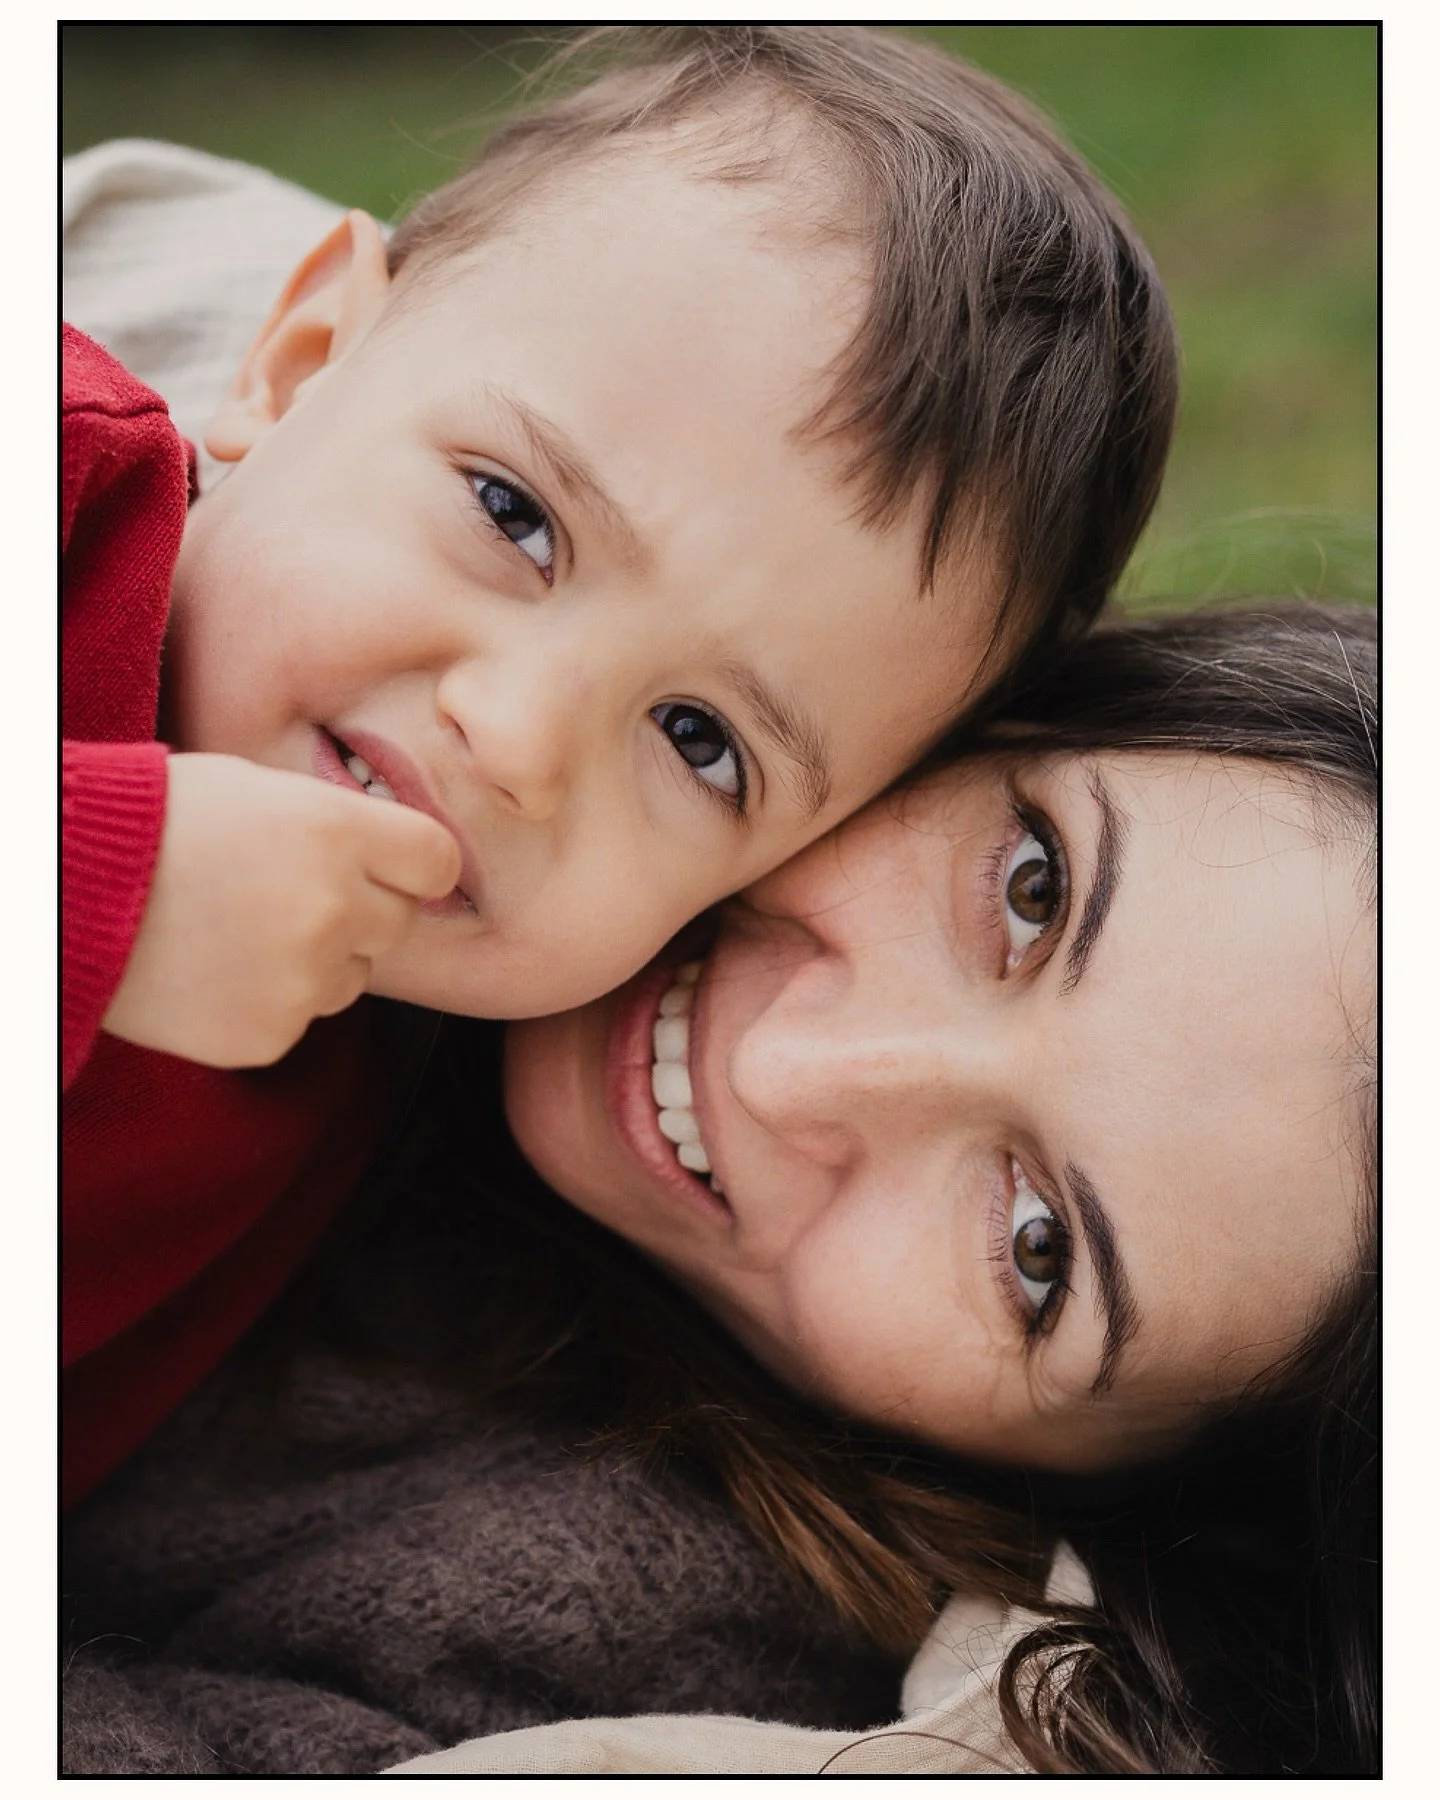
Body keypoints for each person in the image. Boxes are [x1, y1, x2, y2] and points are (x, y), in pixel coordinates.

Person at [62, 26, 1179, 1508]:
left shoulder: (384, 1087)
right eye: (516, 517)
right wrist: (89, 884)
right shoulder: (65, 490)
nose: (519, 741)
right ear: (303, 358)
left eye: (699, 741)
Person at [62, 601, 1377, 1776]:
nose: (786, 1069)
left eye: (1037, 1250)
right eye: (1031, 889)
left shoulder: (606, 1645)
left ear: (1119, 1490)